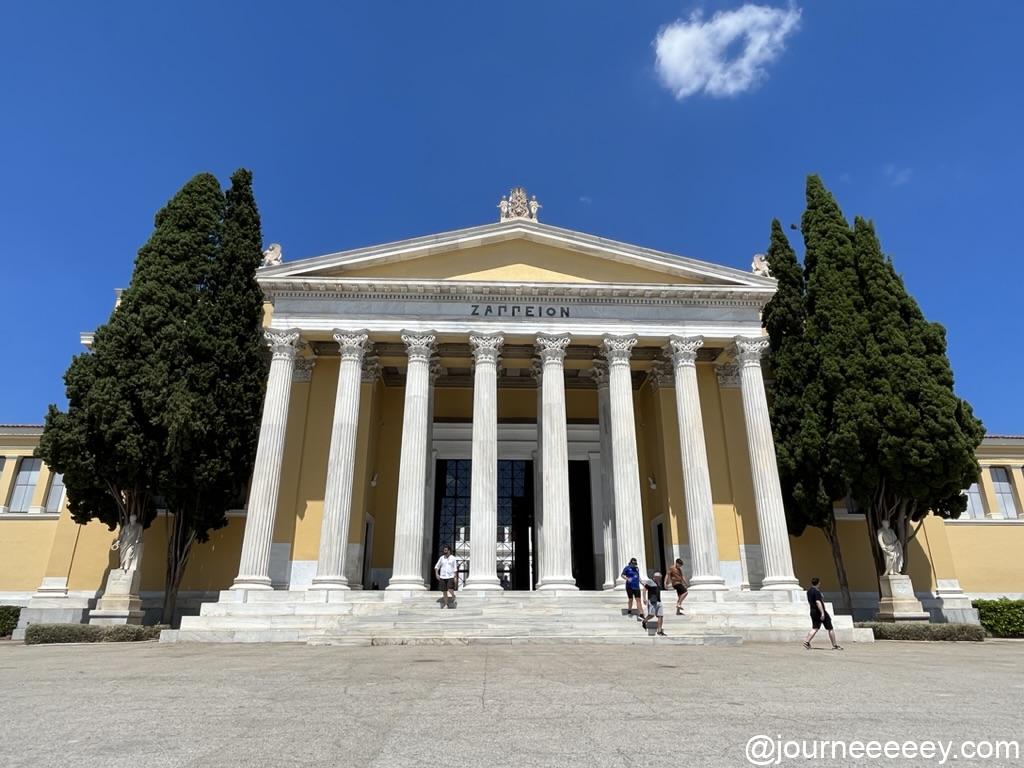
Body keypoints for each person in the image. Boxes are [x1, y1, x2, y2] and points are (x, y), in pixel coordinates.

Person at [803, 577, 842, 650]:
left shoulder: (809, 591)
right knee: (830, 628)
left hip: (813, 611)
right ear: (818, 583)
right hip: (819, 611)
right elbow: (818, 602)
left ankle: (806, 642)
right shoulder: (816, 592)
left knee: (815, 627)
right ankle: (835, 645)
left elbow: (814, 600)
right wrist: (822, 613)